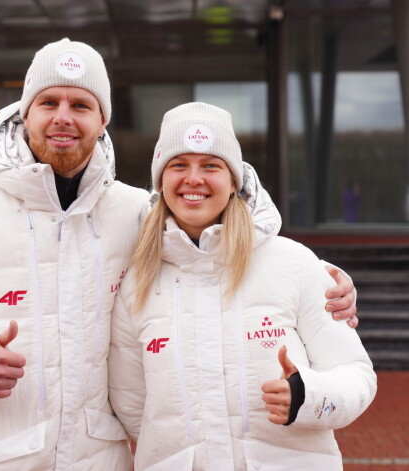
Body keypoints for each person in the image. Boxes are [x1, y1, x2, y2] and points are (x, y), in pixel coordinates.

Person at [0, 39, 358, 471]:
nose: (63, 117)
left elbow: (219, 244)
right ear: (23, 112)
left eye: (81, 105)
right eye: (48, 102)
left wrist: (325, 282)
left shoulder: (136, 214)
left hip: (95, 460)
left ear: (103, 120)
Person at [108, 103, 377, 471]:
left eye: (211, 166)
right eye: (179, 165)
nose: (194, 179)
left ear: (234, 179)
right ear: (160, 180)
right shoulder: (138, 284)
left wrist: (306, 396)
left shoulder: (294, 264)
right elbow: (134, 406)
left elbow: (356, 374)